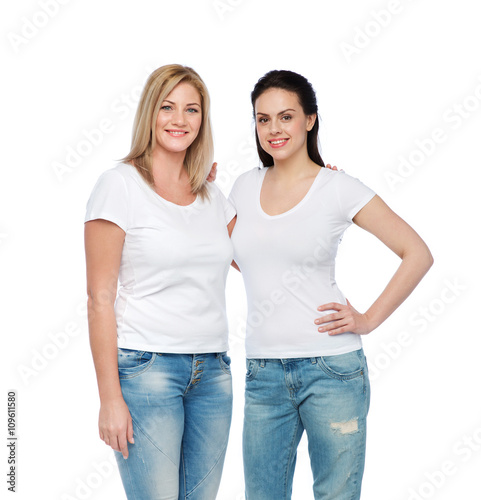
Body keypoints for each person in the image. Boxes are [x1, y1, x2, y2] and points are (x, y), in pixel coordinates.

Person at [227, 70, 434, 499]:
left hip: (332, 371)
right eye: (262, 119)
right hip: (263, 372)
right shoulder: (244, 186)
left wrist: (368, 319)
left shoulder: (338, 187)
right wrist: (203, 194)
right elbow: (239, 258)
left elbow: (417, 253)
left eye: (285, 117)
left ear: (309, 120)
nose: (273, 129)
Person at [84, 64, 236, 500]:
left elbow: (263, 254)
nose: (179, 120)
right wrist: (110, 398)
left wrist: (313, 190)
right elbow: (98, 299)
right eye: (167, 107)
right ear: (150, 112)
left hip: (213, 374)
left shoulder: (211, 195)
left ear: (202, 121)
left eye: (192, 110)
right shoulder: (119, 186)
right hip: (147, 371)